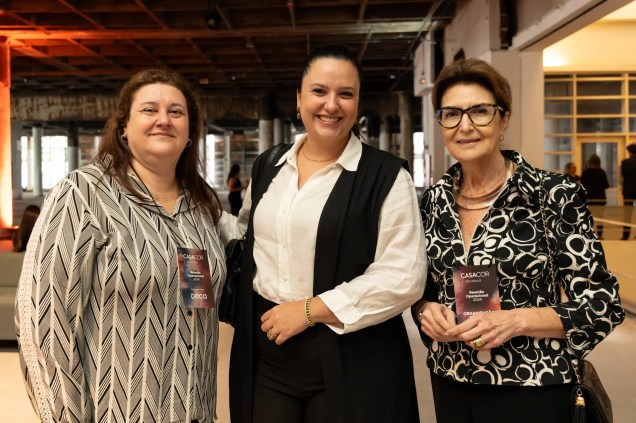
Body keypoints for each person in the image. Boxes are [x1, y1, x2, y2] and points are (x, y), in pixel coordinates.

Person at [413, 58, 624, 423]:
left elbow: (603, 305)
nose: (465, 126)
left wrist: (516, 321)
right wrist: (423, 311)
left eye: (480, 111)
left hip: (533, 385)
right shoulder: (433, 203)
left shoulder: (552, 195)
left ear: (503, 119)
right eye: (451, 114)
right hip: (451, 380)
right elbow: (425, 290)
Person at [15, 68, 232, 422]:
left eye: (176, 112)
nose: (163, 120)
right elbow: (43, 321)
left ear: (190, 133)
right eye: (149, 110)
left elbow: (198, 307)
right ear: (124, 128)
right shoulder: (84, 194)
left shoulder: (199, 210)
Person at [227, 45, 426, 423]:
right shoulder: (270, 165)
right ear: (299, 99)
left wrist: (309, 310)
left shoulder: (386, 177)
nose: (331, 105)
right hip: (267, 353)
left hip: (352, 354)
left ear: (357, 103)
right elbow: (246, 233)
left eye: (345, 94)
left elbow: (404, 276)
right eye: (319, 91)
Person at [580, 154, 610, 239]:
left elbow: (582, 185)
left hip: (588, 198)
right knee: (600, 217)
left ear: (590, 162)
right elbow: (606, 185)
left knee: (587, 217)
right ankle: (600, 234)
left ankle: (588, 234)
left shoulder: (585, 172)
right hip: (600, 198)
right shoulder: (602, 172)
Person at [620, 143, 636, 239]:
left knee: (627, 213)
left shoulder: (625, 162)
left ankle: (626, 235)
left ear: (630, 152)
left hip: (629, 190)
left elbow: (624, 175)